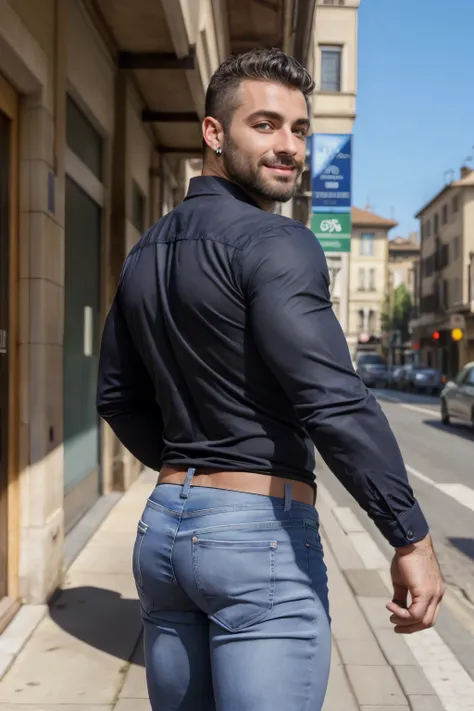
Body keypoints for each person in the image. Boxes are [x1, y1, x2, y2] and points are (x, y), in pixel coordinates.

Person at [96, 48, 444, 711]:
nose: (289, 147)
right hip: (257, 537)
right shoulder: (276, 243)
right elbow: (334, 400)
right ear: (214, 132)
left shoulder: (145, 250)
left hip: (165, 530)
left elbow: (115, 395)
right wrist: (410, 535)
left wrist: (187, 472)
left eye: (299, 129)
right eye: (265, 125)